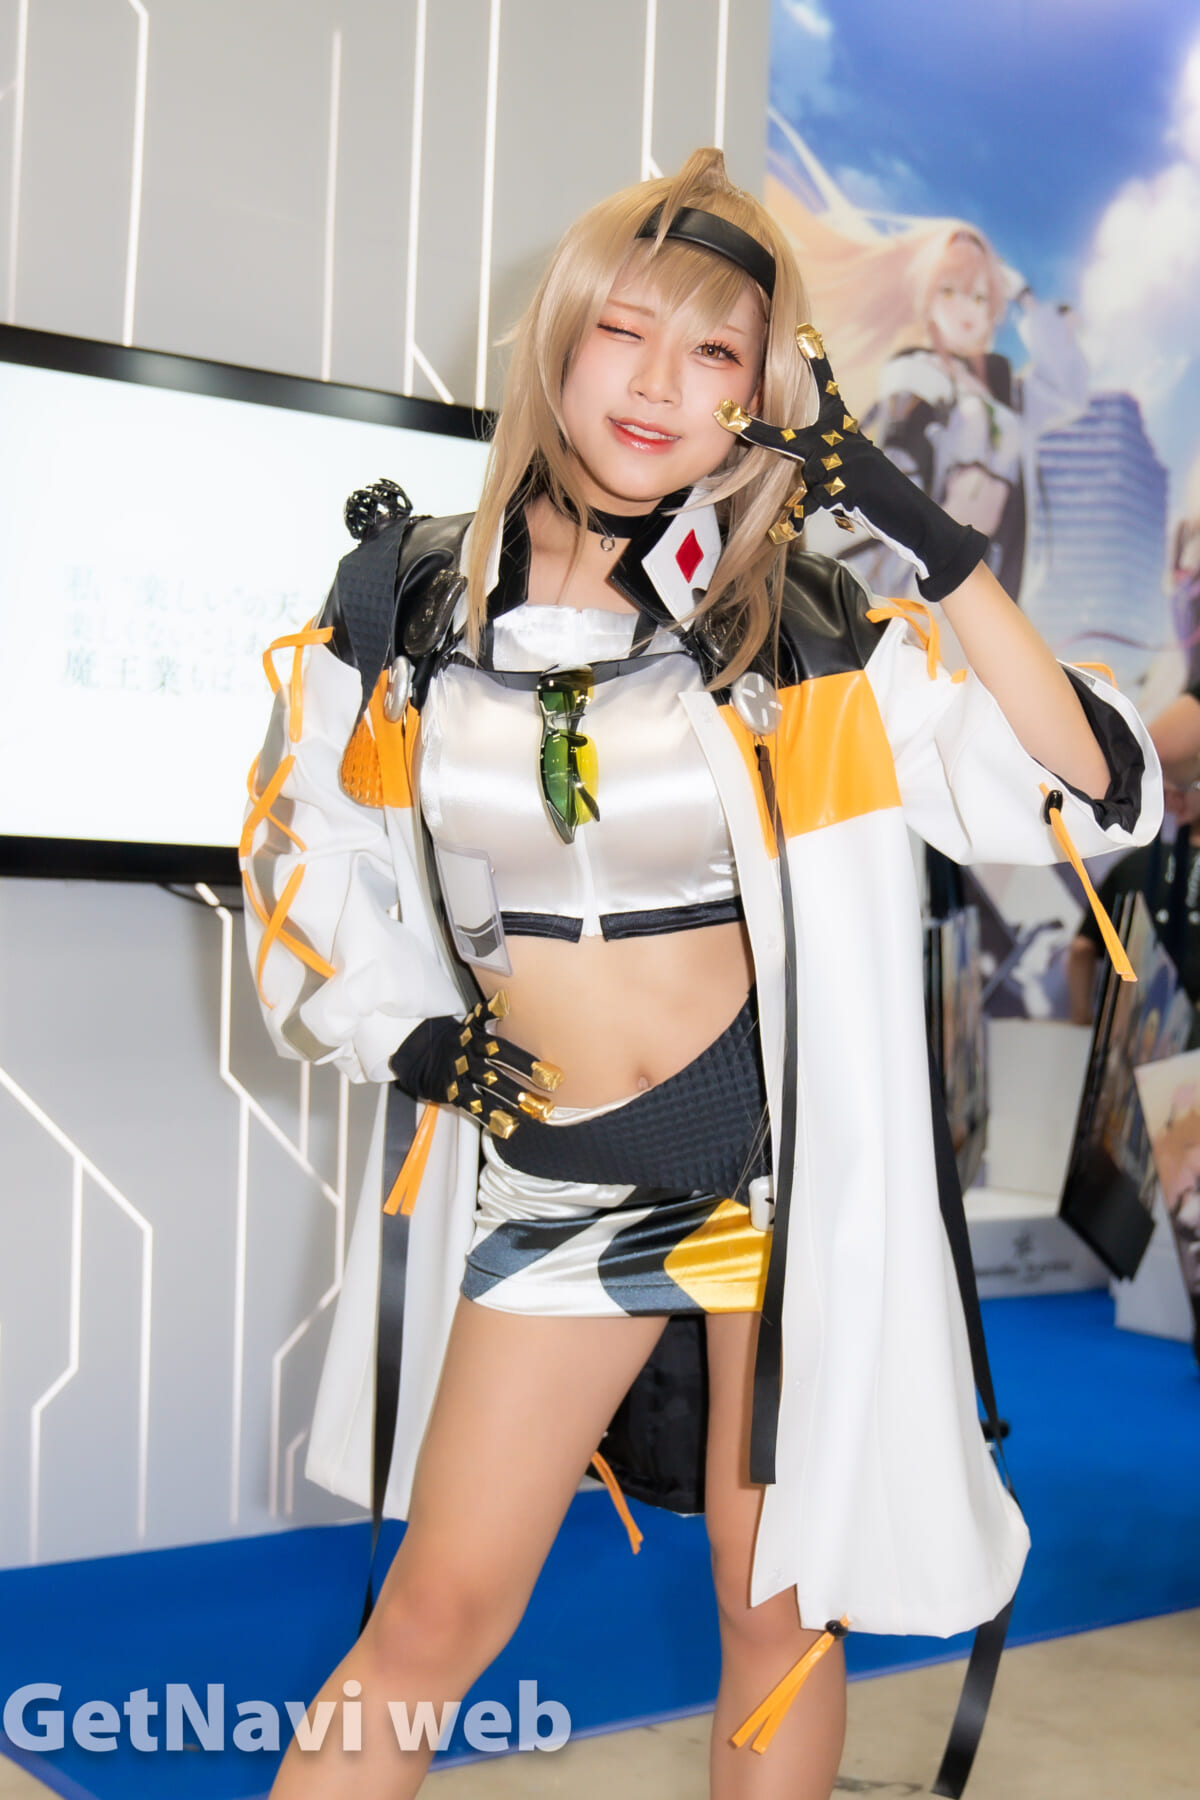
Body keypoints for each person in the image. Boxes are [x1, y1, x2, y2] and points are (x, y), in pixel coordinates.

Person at [240, 149, 1161, 1800]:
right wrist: (409, 1034)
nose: (660, 383)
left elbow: (1092, 789)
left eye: (715, 350)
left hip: (770, 1182)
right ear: (559, 342)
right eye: (626, 332)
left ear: (762, 395)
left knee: (774, 1617)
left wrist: (928, 539)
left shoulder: (802, 629)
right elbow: (311, 853)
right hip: (554, 1175)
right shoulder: (408, 605)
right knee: (432, 1615)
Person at [765, 186, 1088, 606]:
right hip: (927, 574)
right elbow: (893, 472)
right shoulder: (915, 375)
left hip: (988, 571)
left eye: (980, 296)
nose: (966, 309)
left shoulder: (1005, 391)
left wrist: (1026, 299)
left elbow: (1067, 391)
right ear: (927, 298)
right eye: (949, 291)